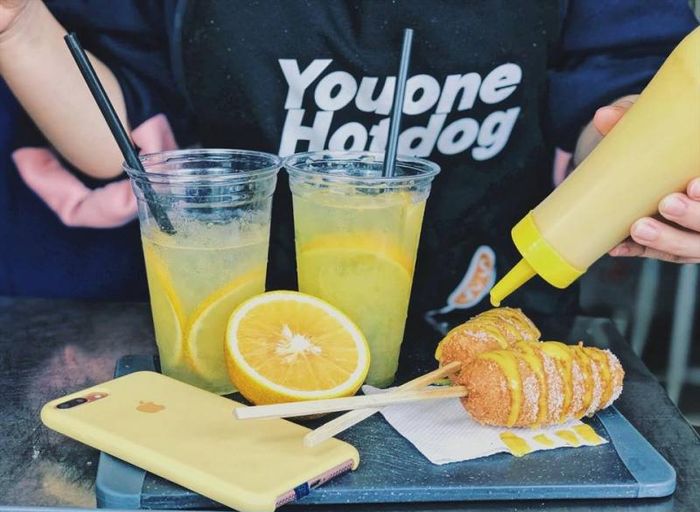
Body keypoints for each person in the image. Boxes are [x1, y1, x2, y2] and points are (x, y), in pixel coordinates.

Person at [0, 1, 697, 334]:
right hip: (223, 345)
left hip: (483, 338)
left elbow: (618, 98)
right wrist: (21, 26)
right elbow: (126, 143)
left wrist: (658, 170)